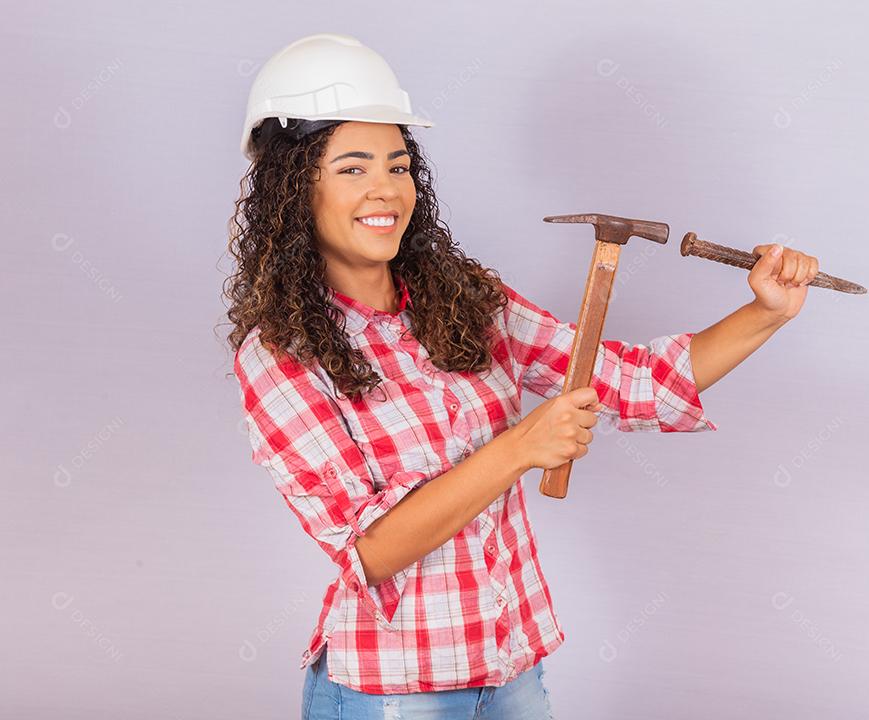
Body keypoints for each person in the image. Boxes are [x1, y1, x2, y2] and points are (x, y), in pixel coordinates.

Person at [223, 32, 818, 720]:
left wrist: (765, 313)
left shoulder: (466, 301)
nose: (385, 189)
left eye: (397, 164)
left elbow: (632, 382)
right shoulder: (283, 355)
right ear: (295, 188)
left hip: (512, 676)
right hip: (392, 694)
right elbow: (371, 550)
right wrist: (521, 446)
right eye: (352, 169)